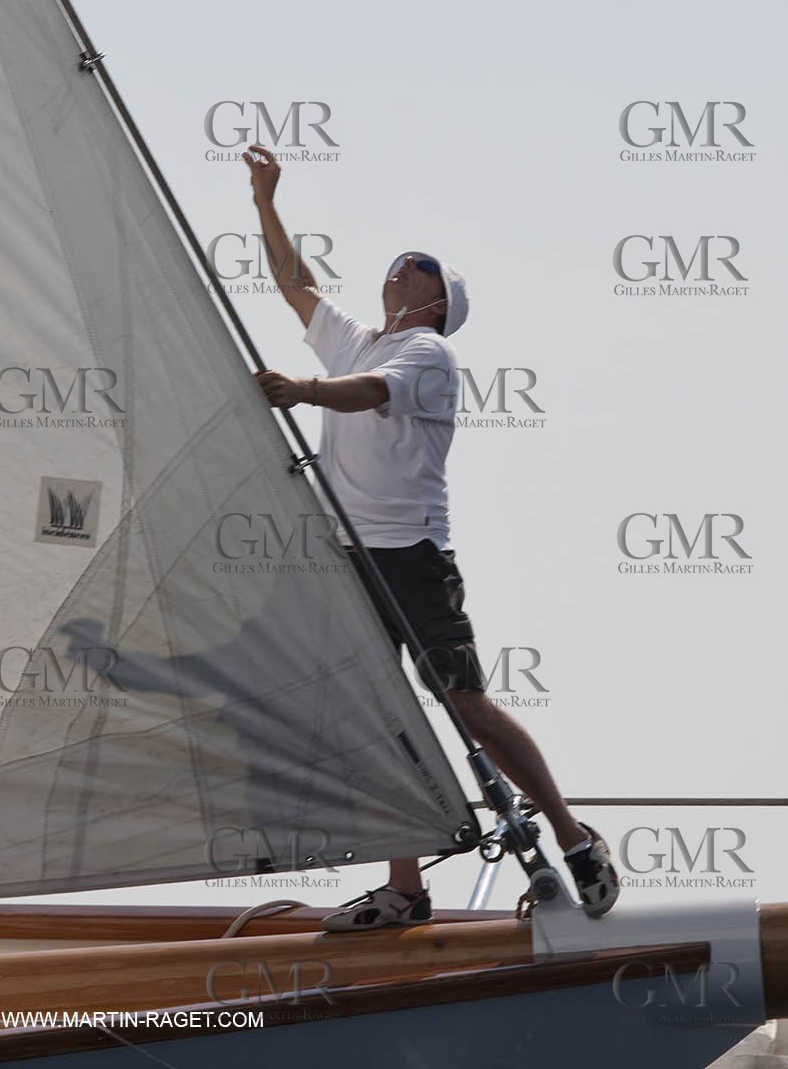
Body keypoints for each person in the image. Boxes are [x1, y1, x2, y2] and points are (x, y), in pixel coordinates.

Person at [242, 143, 620, 927]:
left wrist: (299, 389)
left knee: (464, 702)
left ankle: (574, 836)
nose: (401, 263)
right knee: (370, 713)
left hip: (410, 555)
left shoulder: (428, 352)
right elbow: (292, 283)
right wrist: (265, 199)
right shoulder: (361, 337)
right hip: (351, 560)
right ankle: (405, 889)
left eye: (420, 264)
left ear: (436, 299)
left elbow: (367, 394)